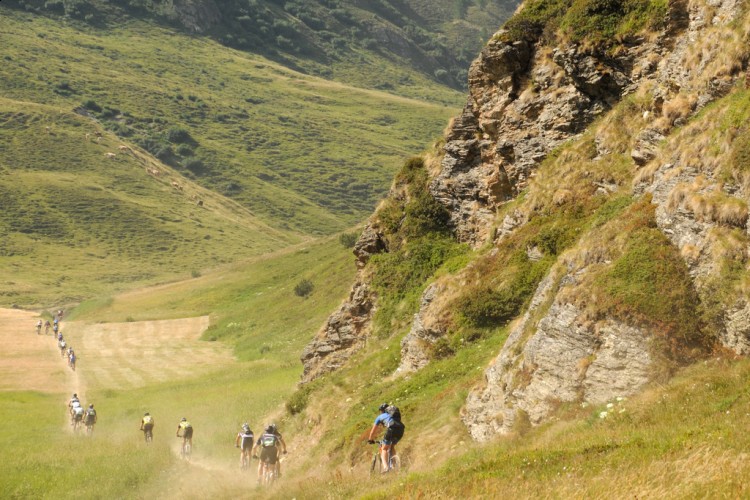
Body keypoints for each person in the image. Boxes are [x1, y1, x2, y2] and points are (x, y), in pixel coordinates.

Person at [367, 403, 405, 474]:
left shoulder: (380, 416)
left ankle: (386, 467)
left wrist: (370, 439)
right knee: (392, 446)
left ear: (381, 411)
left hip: (391, 429)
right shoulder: (393, 415)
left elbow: (372, 431)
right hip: (401, 429)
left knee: (384, 448)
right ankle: (393, 466)